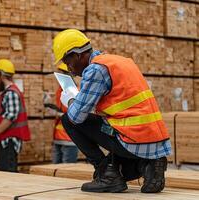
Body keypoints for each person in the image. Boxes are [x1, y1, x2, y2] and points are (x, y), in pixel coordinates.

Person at [52, 29, 171, 193]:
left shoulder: (95, 70)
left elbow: (76, 117)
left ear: (77, 55)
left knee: (68, 120)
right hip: (154, 139)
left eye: (67, 62)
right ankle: (148, 164)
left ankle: (107, 174)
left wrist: (71, 100)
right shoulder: (121, 62)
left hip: (132, 138)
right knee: (121, 167)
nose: (69, 69)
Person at [0, 59, 31, 172]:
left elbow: (10, 117)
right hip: (6, 141)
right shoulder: (7, 93)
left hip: (8, 142)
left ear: (0, 75)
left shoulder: (11, 93)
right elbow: (7, 116)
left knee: (8, 174)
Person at [52, 63, 78, 164]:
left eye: (61, 74)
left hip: (69, 138)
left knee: (67, 169)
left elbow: (75, 114)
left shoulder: (75, 91)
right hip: (58, 137)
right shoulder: (60, 91)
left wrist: (59, 114)